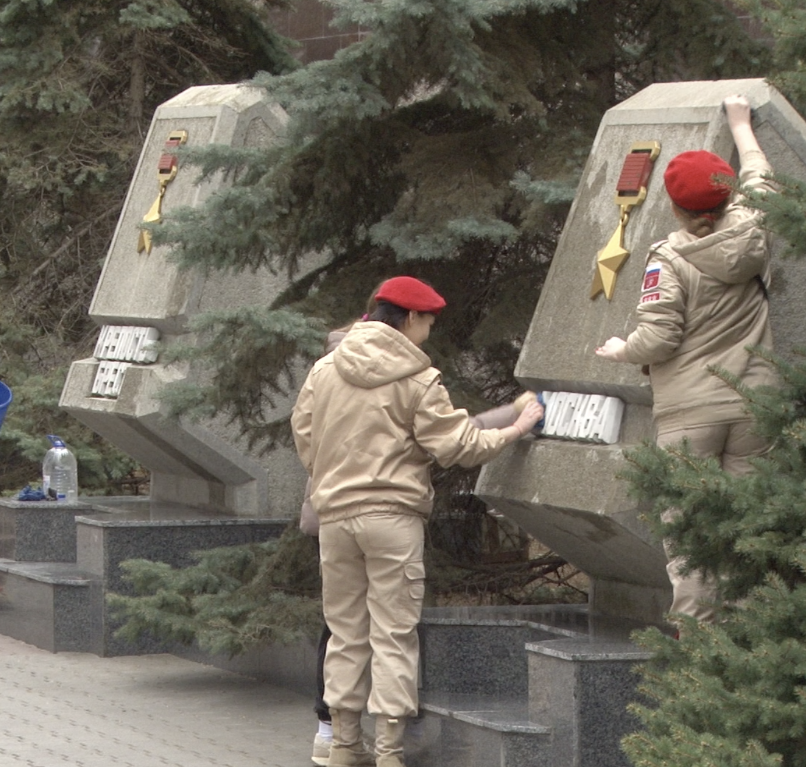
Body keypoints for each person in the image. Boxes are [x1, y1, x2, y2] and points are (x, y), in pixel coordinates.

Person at [292, 276, 544, 767]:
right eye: (428, 319)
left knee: (345, 632)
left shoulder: (325, 370)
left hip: (336, 519)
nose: (429, 329)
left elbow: (305, 437)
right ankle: (388, 752)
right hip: (392, 519)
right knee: (392, 635)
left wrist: (336, 476)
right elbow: (457, 446)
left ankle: (343, 746)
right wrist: (516, 427)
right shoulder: (416, 378)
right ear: (409, 319)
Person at [595, 94, 775, 623]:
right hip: (755, 406)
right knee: (746, 531)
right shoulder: (753, 225)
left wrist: (621, 349)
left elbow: (659, 339)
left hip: (689, 416)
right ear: (729, 195)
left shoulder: (668, 258)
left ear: (674, 207)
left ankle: (697, 662)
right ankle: (749, 654)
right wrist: (741, 125)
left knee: (692, 543)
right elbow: (761, 173)